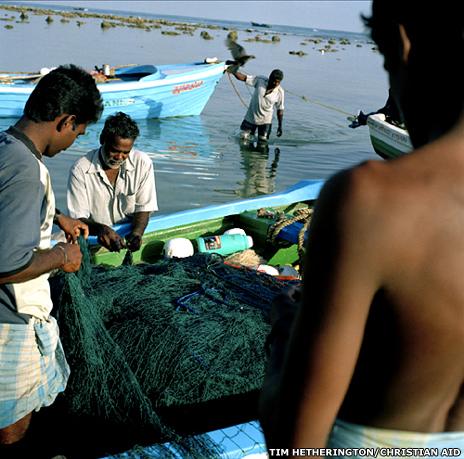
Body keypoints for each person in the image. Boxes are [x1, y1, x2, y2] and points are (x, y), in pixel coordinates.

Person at [260, 1, 464, 456]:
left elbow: (295, 444)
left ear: (405, 44)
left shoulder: (369, 199)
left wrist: (283, 335)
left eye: (387, 61)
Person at [0, 64, 102, 451]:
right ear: (67, 121)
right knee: (11, 429)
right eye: (79, 131)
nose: (75, 141)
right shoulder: (27, 170)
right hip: (9, 322)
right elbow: (7, 264)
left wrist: (54, 214)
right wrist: (62, 255)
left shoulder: (6, 146)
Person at [67, 112, 158, 252]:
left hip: (128, 230)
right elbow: (78, 219)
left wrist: (137, 233)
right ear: (103, 140)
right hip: (95, 236)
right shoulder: (80, 169)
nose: (119, 157)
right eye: (114, 151)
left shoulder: (143, 163)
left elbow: (144, 208)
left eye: (126, 152)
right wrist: (102, 230)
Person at [230, 68, 284, 143]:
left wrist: (280, 126)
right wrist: (232, 71)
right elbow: (244, 78)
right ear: (269, 78)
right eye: (273, 81)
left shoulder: (280, 92)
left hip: (265, 121)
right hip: (250, 118)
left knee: (262, 142)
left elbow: (280, 110)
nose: (275, 83)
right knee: (243, 138)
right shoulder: (260, 80)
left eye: (278, 82)